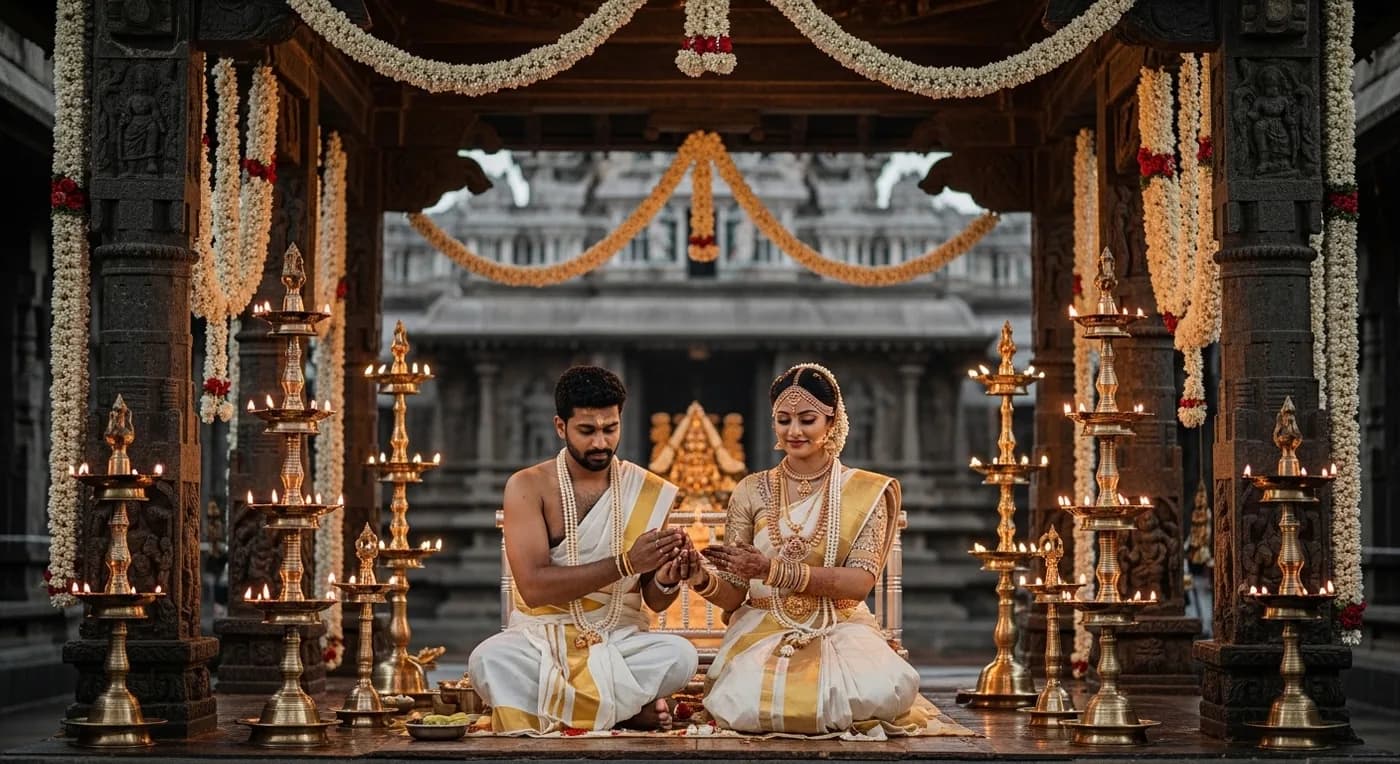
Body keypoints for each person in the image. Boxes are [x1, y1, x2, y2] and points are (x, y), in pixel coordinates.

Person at [692, 363, 922, 734]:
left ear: (832, 422)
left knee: (884, 690)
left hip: (840, 625)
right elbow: (735, 596)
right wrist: (700, 578)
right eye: (784, 420)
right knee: (743, 699)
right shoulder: (751, 490)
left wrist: (772, 570)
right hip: (764, 628)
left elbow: (860, 584)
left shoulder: (863, 492)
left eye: (807, 419)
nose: (794, 431)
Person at [467, 366, 700, 733]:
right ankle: (623, 711)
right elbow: (533, 587)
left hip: (618, 636)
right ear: (561, 426)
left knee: (681, 657)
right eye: (587, 431)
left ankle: (575, 709)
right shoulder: (527, 486)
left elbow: (652, 600)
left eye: (610, 429)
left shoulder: (647, 490)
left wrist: (668, 580)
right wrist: (626, 563)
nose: (600, 443)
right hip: (540, 636)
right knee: (489, 659)